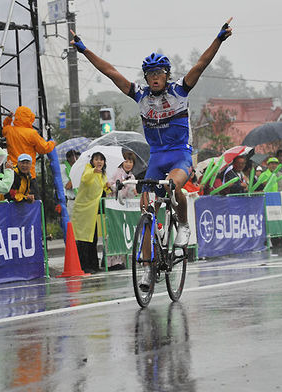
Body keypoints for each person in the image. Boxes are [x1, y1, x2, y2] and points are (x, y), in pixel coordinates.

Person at [70, 17, 233, 252]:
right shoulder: (140, 95)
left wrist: (218, 39)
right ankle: (147, 265)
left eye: (159, 73)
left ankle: (184, 226)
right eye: (150, 74)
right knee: (146, 212)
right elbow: (110, 72)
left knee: (173, 187)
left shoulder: (180, 90)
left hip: (180, 156)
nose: (154, 77)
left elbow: (200, 64)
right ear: (145, 77)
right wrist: (84, 50)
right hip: (157, 157)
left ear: (166, 75)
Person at [2, 106, 56, 198]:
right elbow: (43, 148)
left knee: (12, 200)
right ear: (29, 118)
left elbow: (5, 127)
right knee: (33, 203)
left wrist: (9, 118)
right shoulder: (32, 134)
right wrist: (52, 143)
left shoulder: (9, 131)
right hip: (28, 173)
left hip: (12, 172)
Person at [71, 152, 111, 274]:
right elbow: (86, 178)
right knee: (83, 239)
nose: (99, 162)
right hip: (83, 210)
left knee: (92, 238)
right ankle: (84, 265)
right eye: (96, 159)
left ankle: (94, 264)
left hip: (93, 211)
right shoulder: (88, 170)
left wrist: (109, 187)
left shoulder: (103, 174)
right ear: (92, 161)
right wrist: (94, 171)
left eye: (101, 159)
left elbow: (105, 189)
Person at [108, 152, 138, 270]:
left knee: (124, 233)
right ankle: (111, 261)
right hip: (114, 206)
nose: (128, 164)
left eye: (131, 162)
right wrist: (118, 186)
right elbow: (110, 184)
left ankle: (122, 260)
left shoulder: (132, 177)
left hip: (125, 208)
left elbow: (132, 191)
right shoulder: (116, 172)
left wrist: (133, 192)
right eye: (126, 161)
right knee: (114, 232)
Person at [61, 149, 79, 214]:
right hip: (72, 201)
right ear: (68, 158)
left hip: (82, 200)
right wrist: (75, 175)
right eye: (74, 156)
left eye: (77, 155)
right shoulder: (64, 169)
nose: (76, 158)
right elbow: (67, 186)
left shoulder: (78, 167)